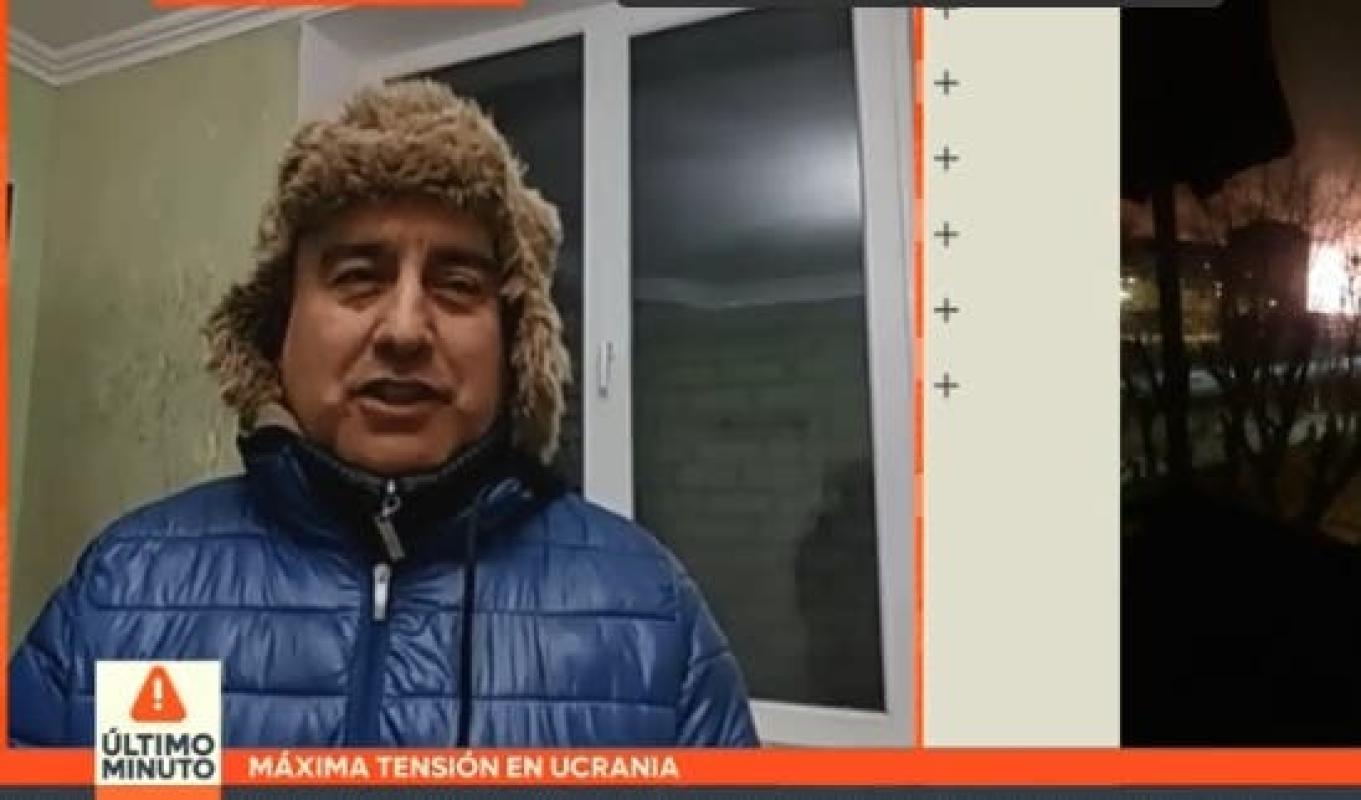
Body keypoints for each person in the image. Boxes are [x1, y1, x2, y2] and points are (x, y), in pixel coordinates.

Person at [9, 80, 759, 748]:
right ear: (278, 327)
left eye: (457, 285)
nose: (404, 329)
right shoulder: (124, 587)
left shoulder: (652, 614)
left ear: (514, 344)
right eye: (358, 277)